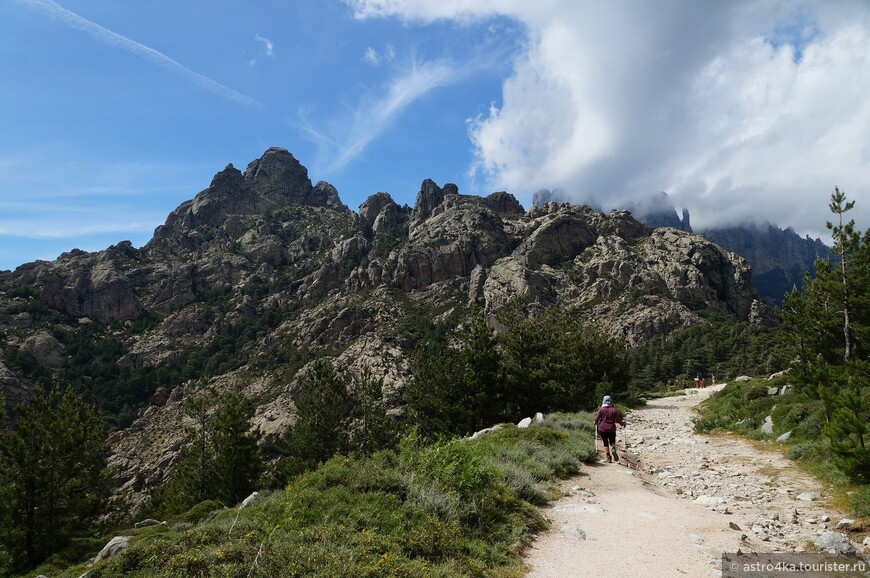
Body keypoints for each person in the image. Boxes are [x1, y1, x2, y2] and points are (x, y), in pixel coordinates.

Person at [594, 395, 625, 463]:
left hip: (602, 428)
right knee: (612, 441)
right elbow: (618, 419)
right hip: (611, 428)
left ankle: (608, 457)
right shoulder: (613, 409)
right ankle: (613, 448)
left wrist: (595, 422)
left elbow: (596, 419)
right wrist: (622, 424)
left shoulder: (601, 409)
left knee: (605, 443)